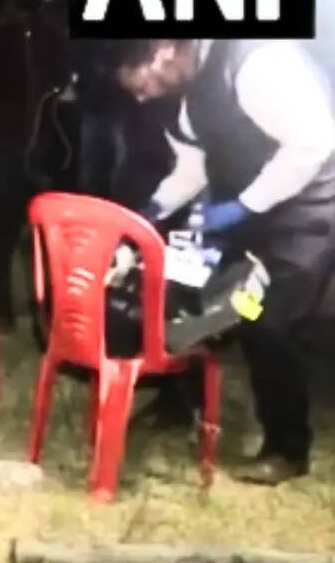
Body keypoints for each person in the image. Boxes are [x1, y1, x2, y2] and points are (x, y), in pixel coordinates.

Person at [112, 38, 335, 485]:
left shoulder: (257, 62)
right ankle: (181, 403)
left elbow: (315, 142)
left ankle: (287, 449)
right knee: (189, 296)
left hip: (308, 213)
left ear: (163, 51)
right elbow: (192, 169)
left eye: (144, 84)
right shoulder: (188, 95)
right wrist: (152, 210)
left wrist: (245, 205)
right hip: (250, 214)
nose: (143, 98)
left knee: (268, 320)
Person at [0, 0, 71, 325]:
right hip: (1, 146)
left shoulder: (53, 27)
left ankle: (52, 312)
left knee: (50, 237)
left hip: (47, 144)